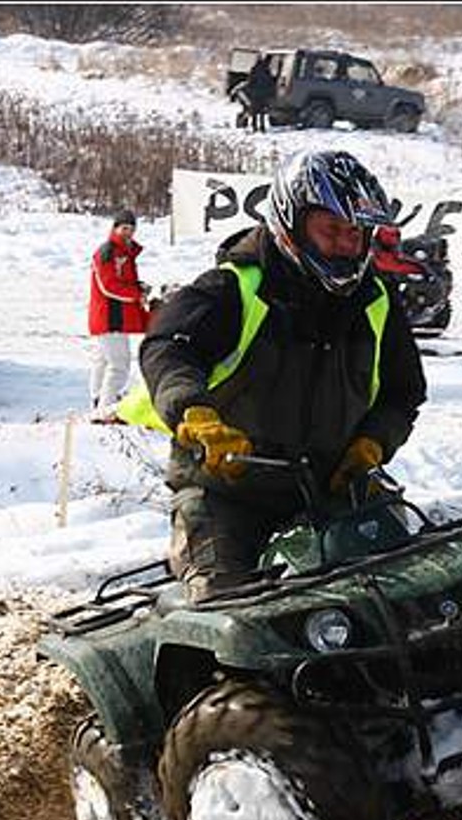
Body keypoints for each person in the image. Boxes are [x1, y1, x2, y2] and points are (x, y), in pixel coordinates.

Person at [118, 149, 426, 600]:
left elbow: (404, 391)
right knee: (230, 614)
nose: (346, 245)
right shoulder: (232, 287)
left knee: (413, 588)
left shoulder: (374, 300)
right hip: (227, 489)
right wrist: (195, 413)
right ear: (291, 223)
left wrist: (374, 442)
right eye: (332, 231)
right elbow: (168, 348)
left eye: (356, 234)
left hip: (333, 484)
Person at [86, 208, 151, 420]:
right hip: (109, 317)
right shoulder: (108, 252)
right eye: (124, 228)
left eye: (131, 229)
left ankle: (98, 401)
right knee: (119, 364)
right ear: (115, 227)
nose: (128, 233)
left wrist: (137, 286)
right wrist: (136, 294)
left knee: (103, 361)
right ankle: (106, 408)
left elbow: (121, 281)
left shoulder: (124, 252)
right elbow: (109, 286)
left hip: (111, 316)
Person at [243, 54, 277, 132]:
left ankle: (254, 126)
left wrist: (249, 91)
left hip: (255, 93)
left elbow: (250, 81)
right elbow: (270, 82)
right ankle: (262, 127)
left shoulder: (254, 69)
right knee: (262, 112)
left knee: (254, 111)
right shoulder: (266, 70)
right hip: (263, 93)